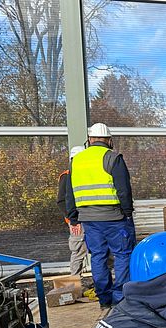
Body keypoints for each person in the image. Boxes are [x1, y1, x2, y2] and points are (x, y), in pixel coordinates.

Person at [65, 123, 135, 309]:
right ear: (109, 140)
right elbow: (124, 189)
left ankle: (104, 299)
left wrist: (73, 217)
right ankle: (120, 299)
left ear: (89, 140)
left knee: (97, 256)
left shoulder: (76, 161)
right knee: (122, 255)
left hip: (89, 219)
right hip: (114, 218)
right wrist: (127, 213)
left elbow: (69, 193)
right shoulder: (113, 158)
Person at [56, 146, 88, 276]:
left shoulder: (87, 174)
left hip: (90, 217)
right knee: (78, 251)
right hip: (77, 220)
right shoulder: (67, 176)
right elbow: (61, 201)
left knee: (101, 250)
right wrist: (73, 221)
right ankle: (75, 284)